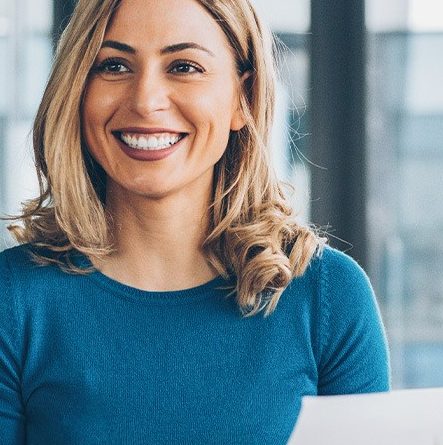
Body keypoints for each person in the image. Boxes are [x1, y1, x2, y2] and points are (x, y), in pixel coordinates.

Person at [0, 0, 390, 443]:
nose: (146, 101)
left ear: (244, 98)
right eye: (113, 65)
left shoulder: (327, 297)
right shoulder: (12, 302)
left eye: (184, 66)